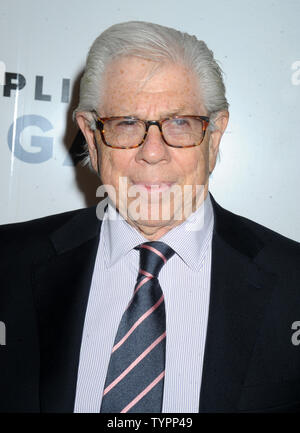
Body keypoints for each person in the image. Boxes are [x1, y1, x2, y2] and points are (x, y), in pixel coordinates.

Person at [0, 21, 299, 413]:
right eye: (126, 123)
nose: (153, 152)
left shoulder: (293, 284)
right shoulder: (7, 263)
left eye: (179, 123)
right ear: (90, 136)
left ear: (216, 134)